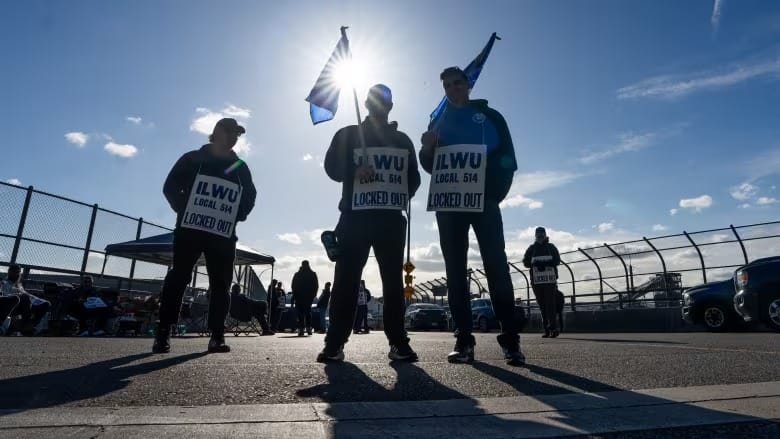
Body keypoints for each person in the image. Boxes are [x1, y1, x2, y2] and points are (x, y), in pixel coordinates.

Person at [419, 66, 524, 365]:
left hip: (484, 202)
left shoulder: (491, 117)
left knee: (496, 265)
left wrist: (493, 194)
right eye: (448, 86)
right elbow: (430, 165)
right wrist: (426, 150)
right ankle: (464, 338)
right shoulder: (438, 121)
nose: (453, 89)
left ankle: (510, 339)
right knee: (455, 269)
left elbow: (508, 159)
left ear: (468, 84)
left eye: (458, 83)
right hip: (449, 205)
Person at [317, 84, 421, 363]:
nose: (378, 104)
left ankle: (399, 342)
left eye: (384, 100)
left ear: (391, 105)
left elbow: (414, 179)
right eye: (374, 99)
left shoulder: (402, 140)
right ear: (365, 103)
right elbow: (330, 168)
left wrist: (399, 192)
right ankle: (334, 343)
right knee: (346, 281)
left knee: (393, 282)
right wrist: (353, 170)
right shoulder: (349, 135)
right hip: (355, 217)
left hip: (389, 219)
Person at [153, 118, 257, 354]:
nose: (233, 137)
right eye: (230, 132)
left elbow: (250, 194)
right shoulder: (192, 159)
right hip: (190, 230)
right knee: (179, 277)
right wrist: (184, 209)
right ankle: (163, 332)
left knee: (221, 284)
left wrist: (237, 215)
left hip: (222, 233)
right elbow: (170, 186)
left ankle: (217, 336)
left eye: (237, 134)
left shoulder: (239, 166)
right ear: (216, 133)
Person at [523, 227, 561, 337]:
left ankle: (553, 328)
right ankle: (546, 329)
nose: (540, 236)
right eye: (538, 234)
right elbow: (525, 262)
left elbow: (557, 260)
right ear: (535, 236)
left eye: (542, 234)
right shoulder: (531, 248)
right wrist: (534, 263)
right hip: (536, 281)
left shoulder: (551, 247)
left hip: (550, 280)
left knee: (550, 304)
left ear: (545, 235)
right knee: (542, 305)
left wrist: (548, 262)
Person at [0, 264, 50, 336]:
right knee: (24, 297)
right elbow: (4, 297)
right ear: (9, 272)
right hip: (12, 306)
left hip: (24, 305)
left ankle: (30, 325)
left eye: (18, 272)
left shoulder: (19, 285)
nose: (16, 274)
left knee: (46, 304)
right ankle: (25, 325)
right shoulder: (4, 283)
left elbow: (29, 296)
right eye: (14, 272)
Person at [291, 261, 319, 336]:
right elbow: (316, 286)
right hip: (308, 297)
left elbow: (293, 286)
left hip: (299, 297)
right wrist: (313, 295)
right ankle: (308, 328)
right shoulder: (313, 274)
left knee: (300, 314)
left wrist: (295, 295)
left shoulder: (297, 274)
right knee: (308, 313)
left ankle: (301, 329)